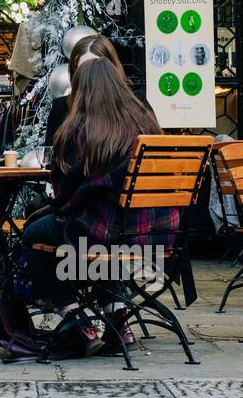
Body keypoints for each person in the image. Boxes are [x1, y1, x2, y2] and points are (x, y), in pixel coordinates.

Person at [20, 58, 172, 356]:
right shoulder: (146, 123)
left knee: (35, 235)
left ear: (81, 91)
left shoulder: (79, 128)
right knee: (95, 242)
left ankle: (76, 320)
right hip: (155, 235)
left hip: (105, 232)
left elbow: (62, 192)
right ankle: (118, 321)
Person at [44, 34, 132, 150]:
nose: (88, 75)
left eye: (96, 67)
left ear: (111, 69)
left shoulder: (134, 105)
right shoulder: (61, 107)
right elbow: (50, 154)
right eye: (81, 69)